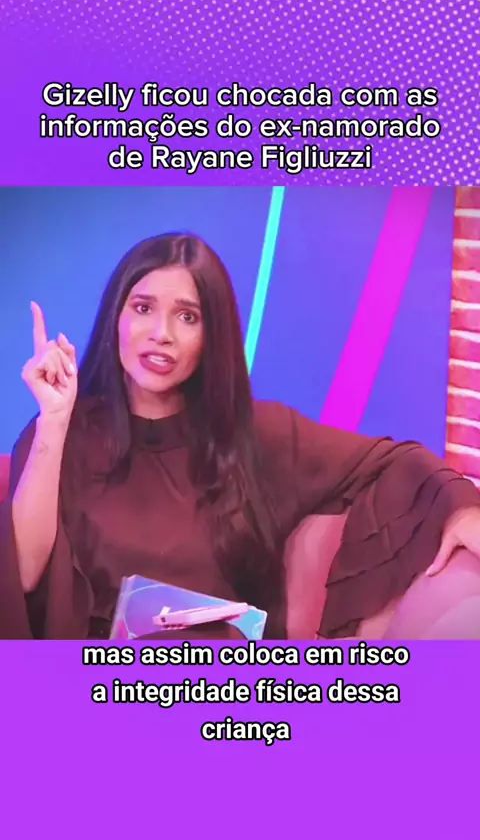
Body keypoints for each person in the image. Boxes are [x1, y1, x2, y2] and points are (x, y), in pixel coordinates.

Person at [1, 232, 480, 641]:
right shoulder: (61, 431)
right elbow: (22, 575)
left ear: (212, 336)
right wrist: (54, 423)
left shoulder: (255, 435)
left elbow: (392, 460)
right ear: (116, 318)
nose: (161, 333)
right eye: (143, 308)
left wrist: (463, 509)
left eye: (188, 317)